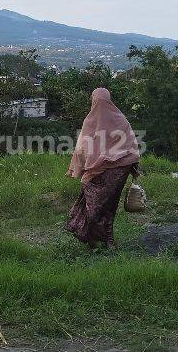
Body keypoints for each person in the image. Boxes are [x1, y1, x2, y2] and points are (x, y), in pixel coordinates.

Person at [65, 88, 140, 248]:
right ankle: (106, 240)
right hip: (118, 173)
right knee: (109, 207)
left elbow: (81, 150)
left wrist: (77, 169)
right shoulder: (120, 119)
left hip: (96, 174)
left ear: (93, 100)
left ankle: (93, 240)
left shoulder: (90, 121)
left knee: (93, 208)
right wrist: (132, 166)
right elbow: (131, 145)